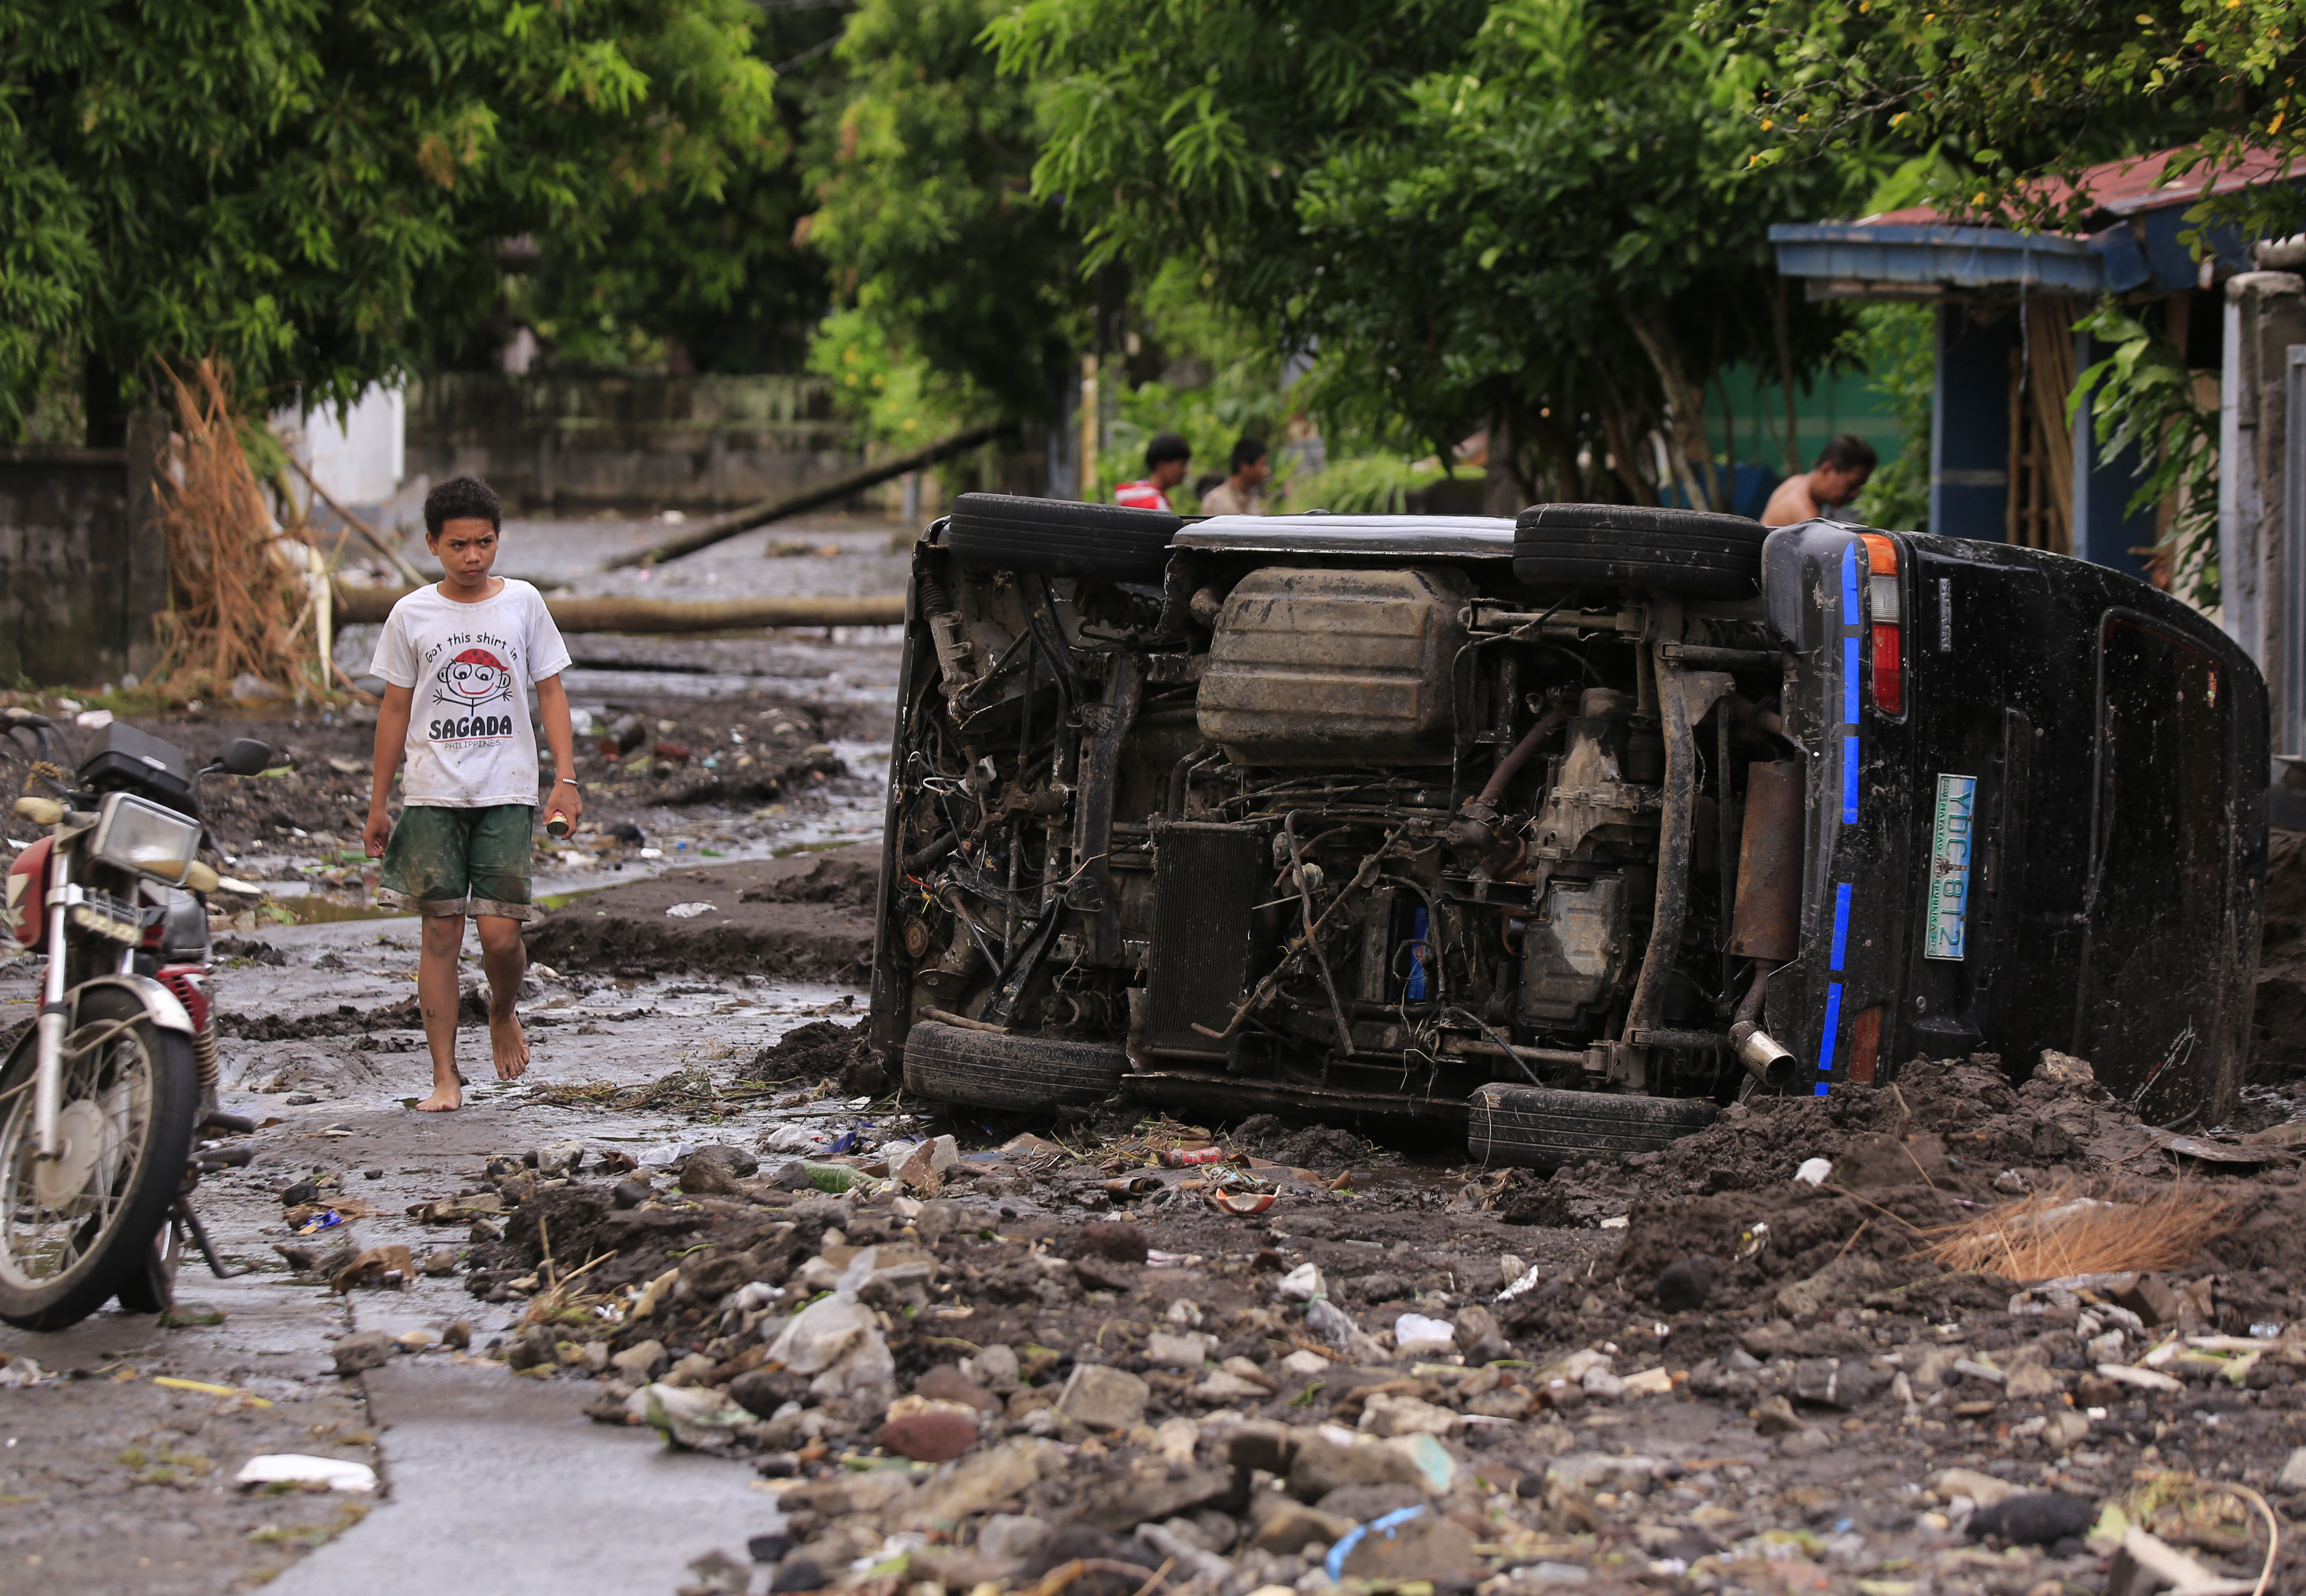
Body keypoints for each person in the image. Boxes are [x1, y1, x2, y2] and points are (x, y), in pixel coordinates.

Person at [363, 475, 579, 1112]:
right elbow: (395, 710)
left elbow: (551, 692)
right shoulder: (412, 614)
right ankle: (445, 1077)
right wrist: (379, 803)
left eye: (484, 542)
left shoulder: (524, 604)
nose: (473, 557)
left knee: (501, 937)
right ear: (433, 544)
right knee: (440, 932)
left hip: (506, 789)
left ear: (498, 539)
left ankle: (504, 1009)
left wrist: (566, 777)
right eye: (458, 545)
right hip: (432, 793)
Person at [1762, 434, 1878, 526]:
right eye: (1852, 485)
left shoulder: (1796, 482)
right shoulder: (1807, 517)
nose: (1855, 494)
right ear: (1827, 470)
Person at [1114, 431, 1192, 510]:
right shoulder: (1157, 504)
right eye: (1182, 464)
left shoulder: (1128, 495)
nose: (1185, 471)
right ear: (1162, 465)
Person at [1199, 437, 1271, 515]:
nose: (1267, 471)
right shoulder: (1215, 502)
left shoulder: (1256, 504)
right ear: (1245, 467)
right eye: (1262, 464)